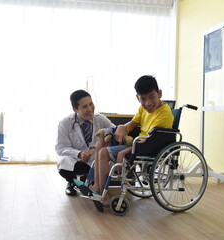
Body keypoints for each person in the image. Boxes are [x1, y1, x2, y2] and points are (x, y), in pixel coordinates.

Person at [90, 75, 174, 206]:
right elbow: (132, 124)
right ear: (138, 98)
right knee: (100, 143)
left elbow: (151, 141)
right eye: (143, 99)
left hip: (147, 146)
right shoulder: (143, 109)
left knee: (103, 153)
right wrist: (124, 128)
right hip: (137, 142)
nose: (148, 103)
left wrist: (124, 152)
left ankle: (103, 195)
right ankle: (96, 185)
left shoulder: (164, 114)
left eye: (152, 97)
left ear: (160, 93)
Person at [55, 90, 114, 196]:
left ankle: (85, 183)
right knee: (63, 163)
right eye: (85, 107)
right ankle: (72, 182)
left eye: (91, 104)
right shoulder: (65, 123)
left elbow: (114, 130)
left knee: (106, 163)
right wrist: (78, 154)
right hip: (77, 161)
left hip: (96, 161)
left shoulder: (101, 119)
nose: (90, 109)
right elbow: (60, 147)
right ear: (75, 109)